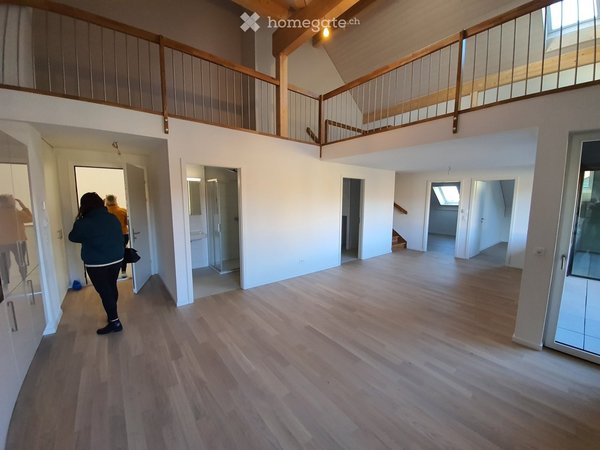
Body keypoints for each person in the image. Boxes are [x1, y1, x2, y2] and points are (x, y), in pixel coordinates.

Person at [69, 192, 125, 335]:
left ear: (84, 206)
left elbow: (72, 237)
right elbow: (119, 235)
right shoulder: (112, 218)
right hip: (116, 259)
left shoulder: (84, 223)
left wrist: (80, 221)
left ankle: (115, 322)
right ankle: (112, 315)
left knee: (105, 292)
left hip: (97, 263)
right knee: (111, 287)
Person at [0, 194, 32, 287]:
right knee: (21, 262)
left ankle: (5, 284)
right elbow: (30, 218)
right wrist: (23, 206)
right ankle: (24, 281)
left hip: (2, 243)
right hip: (18, 242)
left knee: (4, 264)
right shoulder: (16, 212)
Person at [105, 194, 129, 279]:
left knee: (110, 254)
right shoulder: (123, 211)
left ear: (106, 201)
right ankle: (123, 272)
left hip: (109, 236)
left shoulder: (105, 213)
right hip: (123, 235)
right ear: (115, 200)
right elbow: (127, 223)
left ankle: (112, 273)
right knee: (123, 252)